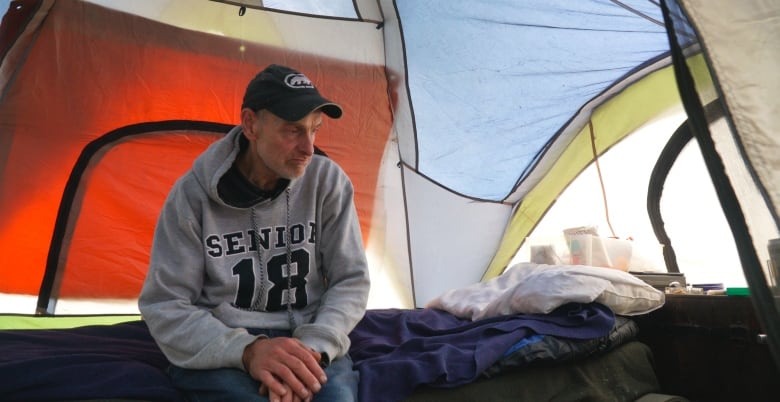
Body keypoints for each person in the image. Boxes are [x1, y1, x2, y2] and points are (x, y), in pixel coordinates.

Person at [138, 64, 371, 402]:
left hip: (307, 339)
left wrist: (314, 348)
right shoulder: (191, 196)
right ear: (250, 124)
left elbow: (350, 280)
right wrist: (248, 351)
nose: (308, 148)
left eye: (315, 130)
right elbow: (165, 302)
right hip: (222, 341)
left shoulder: (327, 183)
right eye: (293, 131)